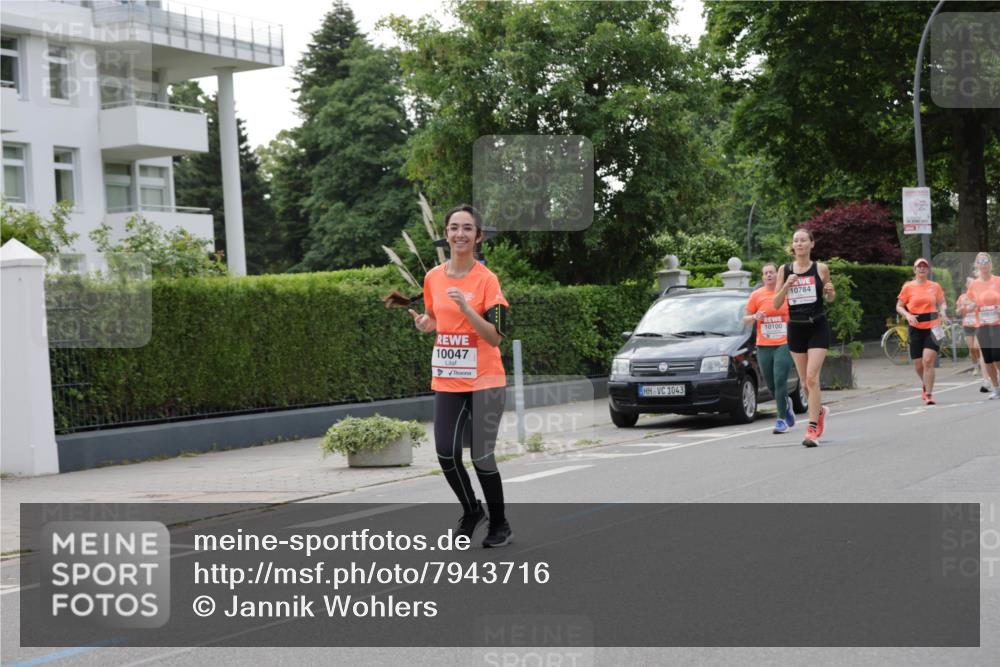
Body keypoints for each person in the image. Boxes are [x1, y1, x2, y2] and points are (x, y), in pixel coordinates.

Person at [409, 204, 514, 547]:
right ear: (446, 233)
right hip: (449, 379)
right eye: (454, 227)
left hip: (486, 380)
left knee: (481, 456)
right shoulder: (433, 278)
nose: (460, 234)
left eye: (467, 228)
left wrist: (468, 308)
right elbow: (436, 318)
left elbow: (495, 337)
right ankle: (472, 510)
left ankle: (499, 524)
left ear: (478, 236)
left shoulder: (487, 280)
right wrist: (428, 325)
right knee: (445, 452)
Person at [773, 229, 835, 447]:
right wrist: (787, 285)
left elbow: (829, 297)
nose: (799, 243)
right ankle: (819, 413)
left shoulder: (820, 268)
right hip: (796, 329)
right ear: (793, 246)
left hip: (817, 326)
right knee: (805, 384)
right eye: (796, 240)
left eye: (803, 240)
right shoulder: (785, 269)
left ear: (811, 244)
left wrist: (830, 291)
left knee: (811, 378)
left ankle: (811, 429)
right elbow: (776, 303)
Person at [743, 263, 795, 434]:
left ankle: (780, 420)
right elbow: (745, 319)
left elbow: (795, 313)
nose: (769, 275)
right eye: (766, 273)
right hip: (764, 345)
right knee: (771, 383)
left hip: (784, 343)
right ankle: (786, 404)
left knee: (780, 379)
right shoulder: (756, 295)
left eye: (772, 272)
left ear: (777, 275)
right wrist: (755, 316)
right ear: (762, 277)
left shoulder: (786, 292)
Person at [895, 258, 948, 405]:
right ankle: (925, 385)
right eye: (919, 267)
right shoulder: (908, 287)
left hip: (933, 326)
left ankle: (929, 394)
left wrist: (943, 312)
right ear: (915, 270)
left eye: (925, 267)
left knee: (928, 361)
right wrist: (907, 315)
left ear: (928, 270)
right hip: (915, 327)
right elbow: (899, 306)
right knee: (918, 365)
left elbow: (942, 302)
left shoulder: (935, 286)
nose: (922, 269)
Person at [966, 252, 1000, 400]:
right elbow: (968, 304)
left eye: (987, 263)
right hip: (982, 325)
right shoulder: (974, 284)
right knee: (987, 359)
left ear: (991, 265)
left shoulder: (998, 281)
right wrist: (972, 306)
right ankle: (996, 388)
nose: (984, 266)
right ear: (977, 266)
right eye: (981, 263)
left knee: (997, 356)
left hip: (998, 323)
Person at [956, 276, 991, 392]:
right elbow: (957, 311)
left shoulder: (979, 295)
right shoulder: (962, 297)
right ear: (966, 285)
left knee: (977, 347)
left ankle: (986, 372)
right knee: (972, 348)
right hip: (967, 325)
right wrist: (962, 307)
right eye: (969, 283)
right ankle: (976, 367)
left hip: (978, 325)